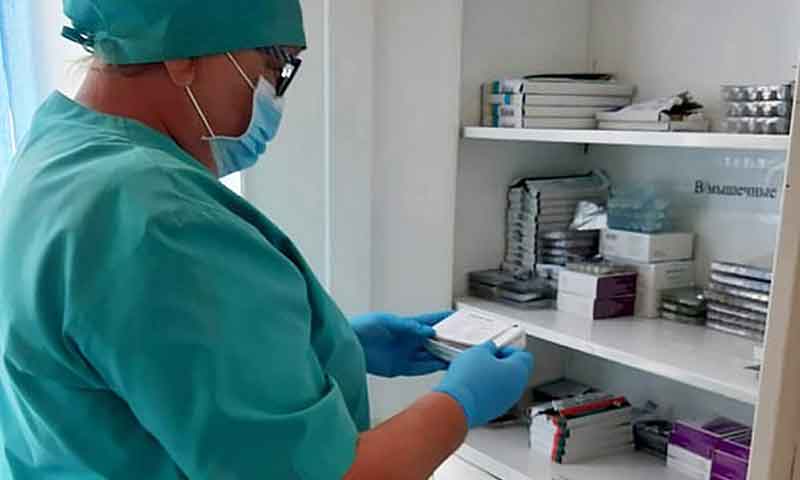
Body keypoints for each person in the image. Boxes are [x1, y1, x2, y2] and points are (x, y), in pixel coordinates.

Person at [0, 1, 534, 479]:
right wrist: (459, 403)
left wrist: (335, 345)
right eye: (275, 67)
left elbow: (133, 358)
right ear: (182, 52)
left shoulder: (56, 153)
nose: (275, 97)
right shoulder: (160, 217)